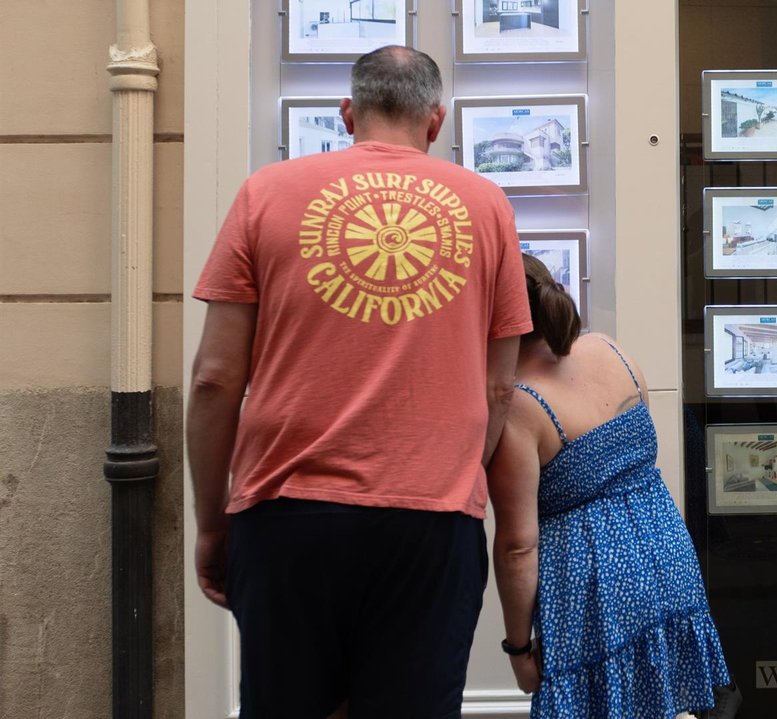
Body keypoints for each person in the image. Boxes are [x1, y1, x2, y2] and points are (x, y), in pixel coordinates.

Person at [186, 45, 531, 718]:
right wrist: (455, 472)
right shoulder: (488, 205)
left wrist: (211, 519)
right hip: (430, 519)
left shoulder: (266, 193)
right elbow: (498, 390)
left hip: (287, 511)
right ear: (437, 121)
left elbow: (215, 379)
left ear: (347, 113)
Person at [487, 255, 732, 718]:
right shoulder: (609, 349)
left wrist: (518, 649)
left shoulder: (518, 404)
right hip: (667, 556)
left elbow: (517, 546)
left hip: (595, 587)